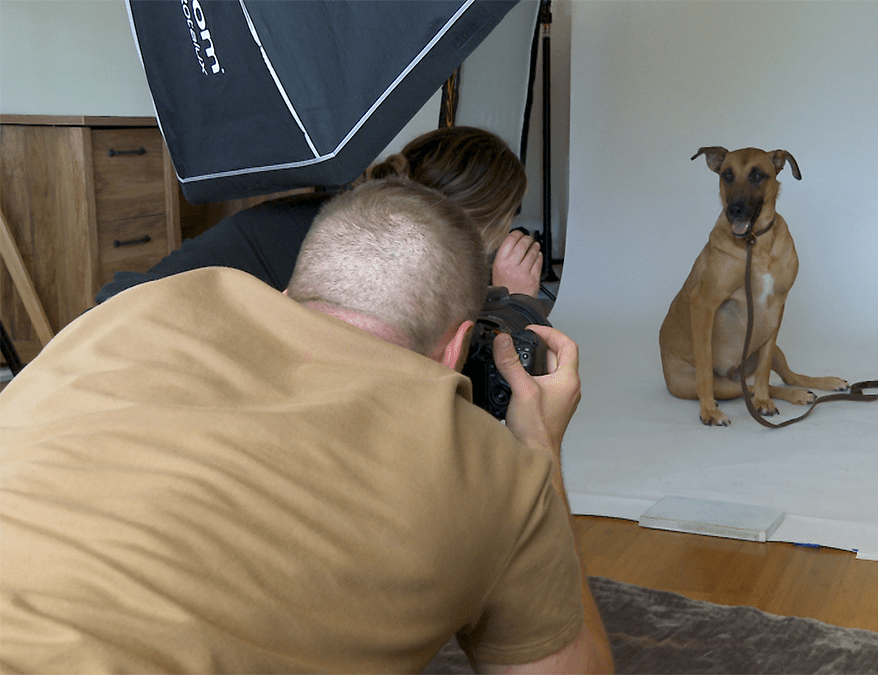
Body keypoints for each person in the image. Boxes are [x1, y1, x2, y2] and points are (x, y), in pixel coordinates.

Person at [0, 178, 613, 673]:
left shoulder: (126, 313)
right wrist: (541, 452)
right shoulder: (488, 468)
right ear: (457, 347)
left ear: (292, 286)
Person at [94, 126, 545, 304]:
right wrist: (515, 302)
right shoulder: (378, 251)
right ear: (479, 219)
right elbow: (462, 394)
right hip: (134, 343)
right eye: (506, 216)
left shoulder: (368, 221)